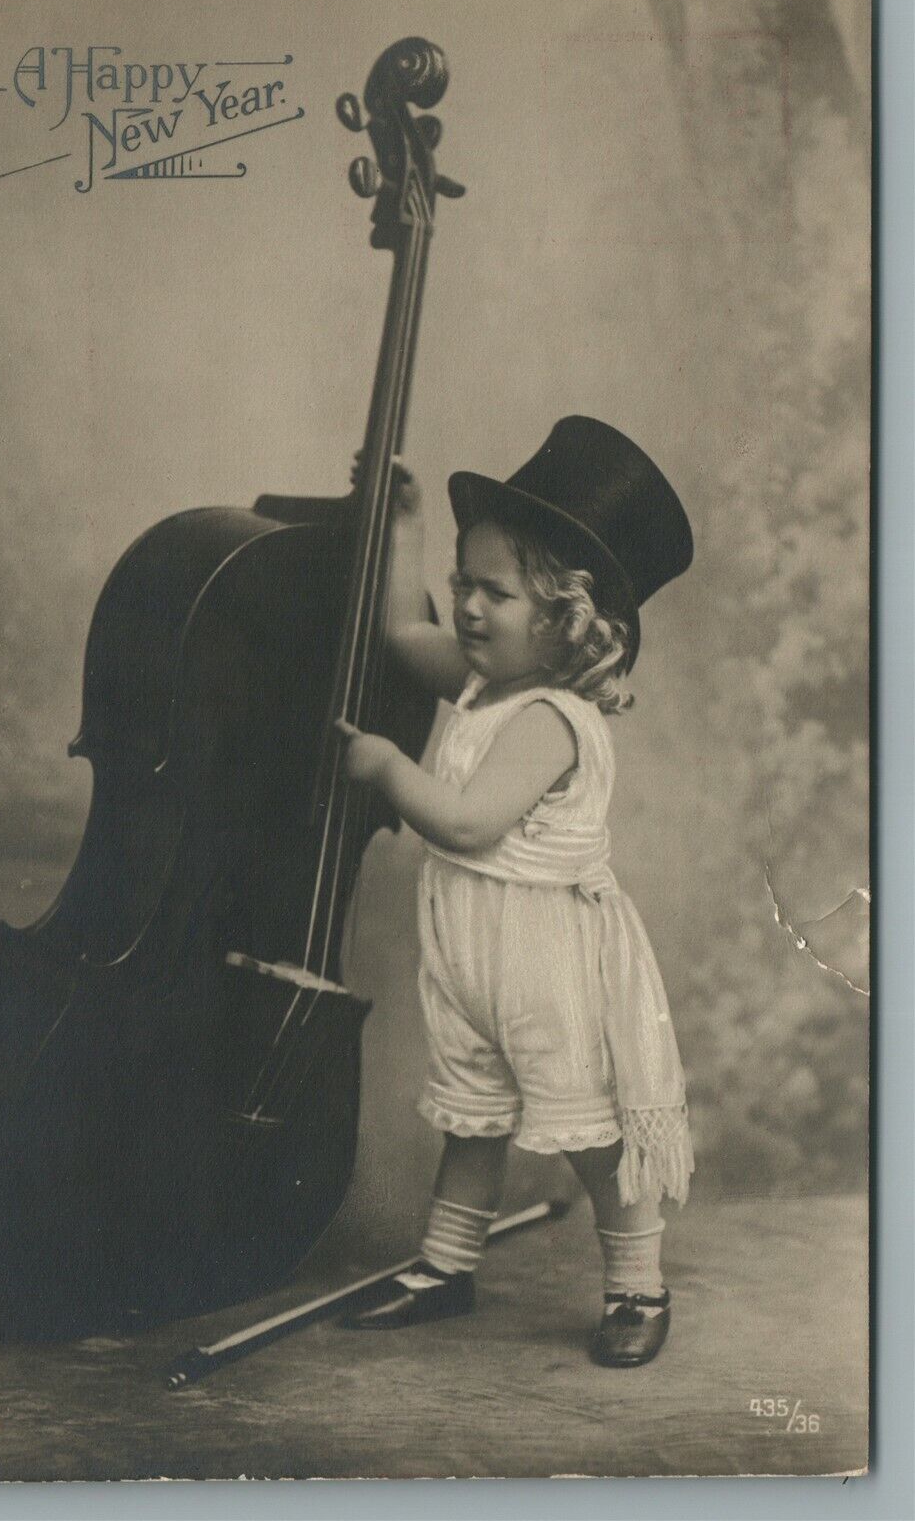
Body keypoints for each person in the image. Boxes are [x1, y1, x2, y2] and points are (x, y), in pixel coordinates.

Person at [335, 416, 694, 1367]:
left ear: (567, 619)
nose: (467, 608)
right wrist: (401, 525)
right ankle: (446, 1267)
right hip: (471, 957)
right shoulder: (487, 681)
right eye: (464, 582)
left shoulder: (549, 717)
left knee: (590, 1135)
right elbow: (396, 632)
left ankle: (636, 1287)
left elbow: (461, 822)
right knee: (475, 1114)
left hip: (545, 965)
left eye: (494, 592)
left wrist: (383, 765)